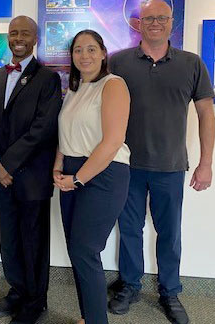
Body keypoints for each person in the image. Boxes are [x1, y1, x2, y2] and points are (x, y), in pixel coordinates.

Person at [108, 0, 215, 324]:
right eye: (149, 18)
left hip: (170, 166)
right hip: (127, 165)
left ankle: (169, 291)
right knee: (129, 230)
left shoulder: (191, 63)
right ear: (138, 23)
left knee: (169, 233)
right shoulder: (118, 62)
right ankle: (129, 285)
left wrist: (206, 162)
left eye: (162, 18)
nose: (155, 23)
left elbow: (206, 115)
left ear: (172, 23)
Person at [0, 16, 62, 324]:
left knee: (33, 242)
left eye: (24, 33)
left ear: (35, 39)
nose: (18, 37)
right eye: (14, 32)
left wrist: (7, 163)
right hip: (2, 176)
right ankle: (17, 290)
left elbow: (43, 128)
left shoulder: (47, 78)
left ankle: (35, 300)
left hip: (31, 177)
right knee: (9, 239)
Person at [53, 30, 130, 324]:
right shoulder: (74, 88)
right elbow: (66, 133)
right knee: (77, 249)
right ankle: (89, 316)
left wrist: (78, 179)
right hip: (72, 172)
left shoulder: (113, 85)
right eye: (78, 50)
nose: (84, 56)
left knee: (86, 250)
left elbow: (112, 142)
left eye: (91, 49)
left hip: (104, 174)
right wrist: (58, 167)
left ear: (103, 53)